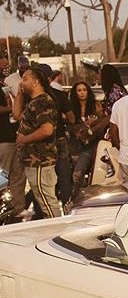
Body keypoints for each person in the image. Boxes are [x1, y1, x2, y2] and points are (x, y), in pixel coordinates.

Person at [15, 66, 61, 218]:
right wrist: (20, 94)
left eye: (25, 79)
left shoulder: (43, 101)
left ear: (35, 82)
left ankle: (58, 230)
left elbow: (47, 129)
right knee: (43, 200)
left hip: (41, 161)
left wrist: (24, 139)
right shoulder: (33, 102)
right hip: (33, 162)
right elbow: (16, 115)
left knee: (47, 200)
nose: (22, 82)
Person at [35, 62, 73, 205]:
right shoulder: (60, 95)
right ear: (51, 77)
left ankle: (43, 210)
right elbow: (71, 118)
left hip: (41, 142)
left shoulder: (34, 97)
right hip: (60, 138)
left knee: (44, 178)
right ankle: (67, 204)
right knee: (64, 175)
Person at [0, 60, 27, 221]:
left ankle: (17, 211)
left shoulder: (8, 84)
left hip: (16, 137)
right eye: (2, 66)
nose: (5, 68)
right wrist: (12, 109)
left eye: (6, 66)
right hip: (3, 139)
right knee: (3, 177)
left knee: (18, 176)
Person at [65, 80, 102, 191]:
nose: (82, 93)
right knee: (76, 175)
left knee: (79, 173)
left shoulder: (95, 105)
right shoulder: (71, 107)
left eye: (84, 90)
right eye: (79, 90)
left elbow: (101, 122)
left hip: (91, 145)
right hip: (75, 146)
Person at [89, 63, 127, 141]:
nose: (97, 76)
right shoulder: (111, 91)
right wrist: (92, 124)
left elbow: (112, 116)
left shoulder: (115, 92)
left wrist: (92, 130)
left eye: (99, 74)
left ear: (106, 76)